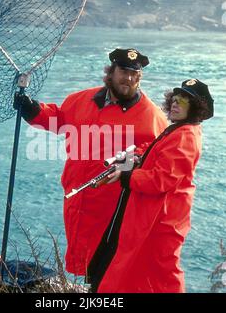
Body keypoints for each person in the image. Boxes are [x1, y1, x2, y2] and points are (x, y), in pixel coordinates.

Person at [14, 48, 168, 276]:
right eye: (123, 71)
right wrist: (32, 110)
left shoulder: (152, 115)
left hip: (114, 203)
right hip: (77, 195)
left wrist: (133, 160)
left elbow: (156, 154)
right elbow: (59, 119)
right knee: (82, 260)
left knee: (108, 263)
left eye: (134, 74)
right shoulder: (80, 100)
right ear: (111, 72)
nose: (128, 78)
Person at [87, 79, 214, 292]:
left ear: (196, 107)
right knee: (147, 271)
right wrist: (136, 159)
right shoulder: (179, 131)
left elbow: (161, 179)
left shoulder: (186, 136)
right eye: (175, 98)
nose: (175, 103)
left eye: (184, 100)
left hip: (162, 219)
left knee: (163, 272)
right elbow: (158, 160)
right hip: (159, 215)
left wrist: (127, 176)